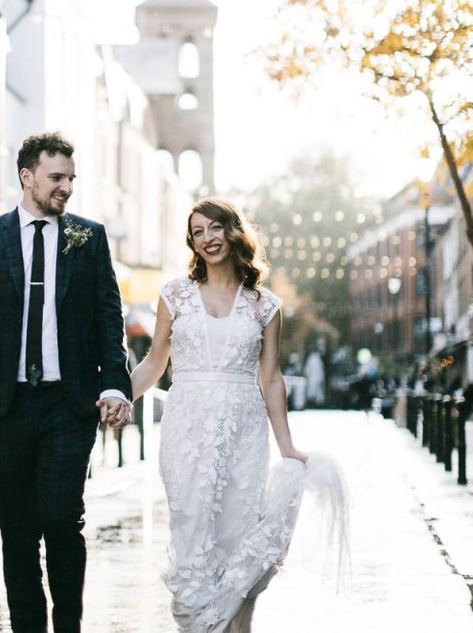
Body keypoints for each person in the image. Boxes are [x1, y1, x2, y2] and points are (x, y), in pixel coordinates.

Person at [0, 132, 132, 633]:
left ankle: (68, 624)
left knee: (62, 519)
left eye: (71, 178)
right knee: (17, 531)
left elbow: (109, 320)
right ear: (27, 177)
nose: (66, 187)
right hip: (5, 405)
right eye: (56, 177)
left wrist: (115, 385)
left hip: (69, 405)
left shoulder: (88, 238)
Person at [130, 197, 347, 632]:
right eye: (197, 232)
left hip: (243, 433)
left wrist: (287, 446)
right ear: (191, 243)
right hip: (186, 431)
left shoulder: (265, 306)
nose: (207, 238)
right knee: (192, 534)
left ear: (233, 231)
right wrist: (121, 398)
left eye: (214, 228)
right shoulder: (174, 295)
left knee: (237, 537)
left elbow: (271, 379)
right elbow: (155, 361)